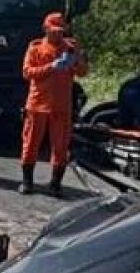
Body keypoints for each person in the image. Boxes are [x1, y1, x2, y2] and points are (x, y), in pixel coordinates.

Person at [20, 12, 89, 196]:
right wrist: (51, 66)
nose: (58, 34)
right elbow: (27, 73)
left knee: (61, 146)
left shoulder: (71, 48)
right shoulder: (35, 48)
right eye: (54, 31)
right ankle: (27, 181)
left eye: (61, 31)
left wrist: (78, 58)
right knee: (31, 143)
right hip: (38, 104)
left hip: (61, 106)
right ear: (46, 29)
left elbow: (82, 73)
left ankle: (55, 184)